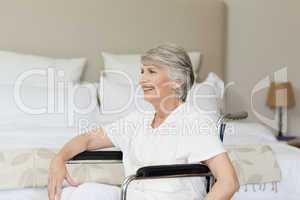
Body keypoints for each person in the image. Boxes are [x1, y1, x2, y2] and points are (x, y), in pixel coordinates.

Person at [48, 43, 239, 200]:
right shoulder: (137, 120)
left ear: (177, 81)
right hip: (132, 195)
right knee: (76, 194)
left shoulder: (194, 123)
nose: (142, 80)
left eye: (151, 72)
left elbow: (228, 182)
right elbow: (88, 139)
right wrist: (59, 158)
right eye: (142, 72)